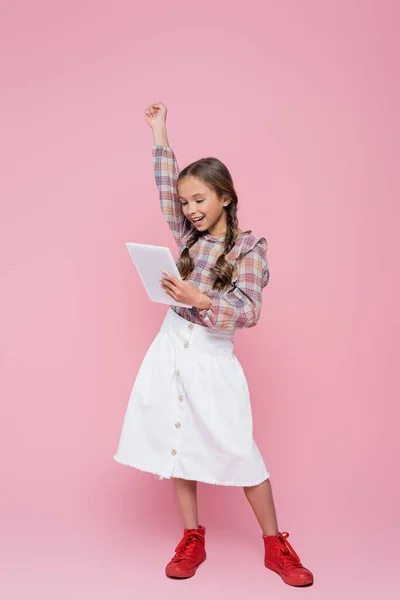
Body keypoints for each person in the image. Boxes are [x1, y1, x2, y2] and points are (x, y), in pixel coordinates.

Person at [114, 102, 313, 586]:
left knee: (238, 448)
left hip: (211, 356)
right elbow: (166, 190)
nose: (190, 210)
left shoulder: (248, 248)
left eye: (199, 199)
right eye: (186, 203)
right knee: (178, 446)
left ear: (225, 197)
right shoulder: (186, 236)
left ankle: (275, 544)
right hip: (170, 347)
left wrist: (199, 298)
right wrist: (160, 133)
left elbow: (249, 311)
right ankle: (191, 536)